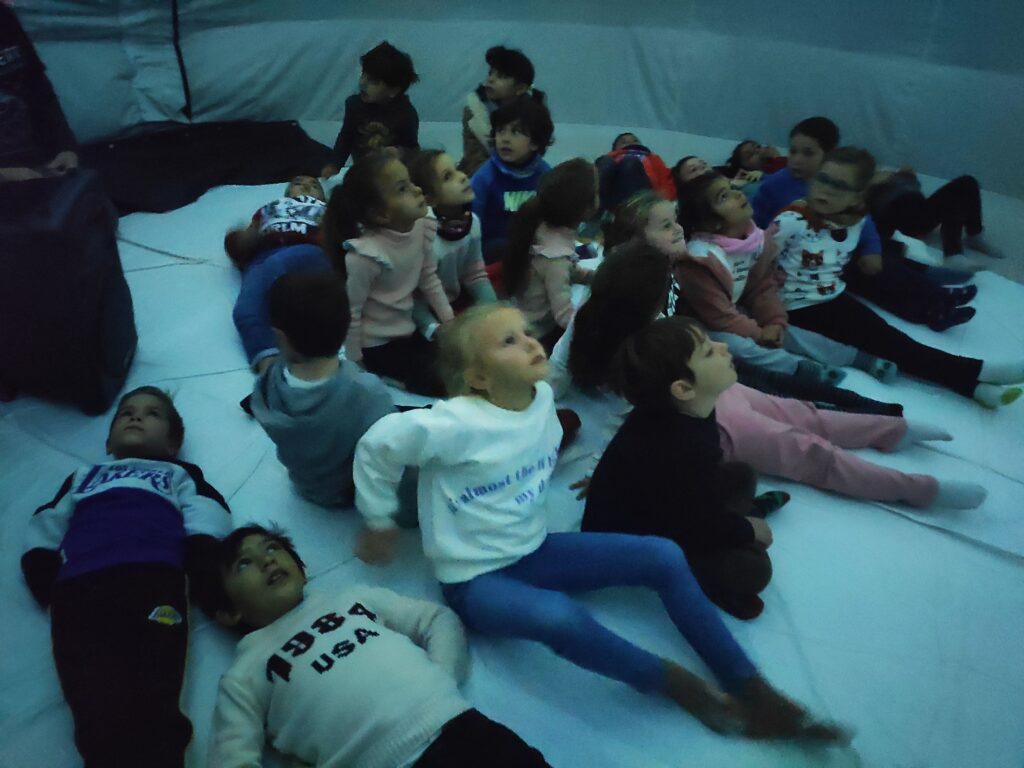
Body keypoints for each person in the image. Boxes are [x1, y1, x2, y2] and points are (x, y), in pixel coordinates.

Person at [352, 303, 849, 742]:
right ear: (478, 379)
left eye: (526, 332)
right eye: (508, 341)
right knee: (559, 617)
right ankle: (673, 682)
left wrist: (599, 475)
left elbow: (588, 436)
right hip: (473, 580)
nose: (530, 342)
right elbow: (378, 444)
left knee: (663, 554)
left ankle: (752, 688)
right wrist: (378, 518)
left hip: (533, 549)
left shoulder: (541, 398)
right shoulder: (453, 424)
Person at [583, 319, 986, 620]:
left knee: (744, 473)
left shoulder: (698, 407)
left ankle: (893, 433)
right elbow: (689, 522)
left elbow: (803, 416)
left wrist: (894, 428)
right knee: (754, 569)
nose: (723, 347)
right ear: (683, 389)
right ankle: (717, 585)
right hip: (641, 537)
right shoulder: (684, 445)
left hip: (677, 504)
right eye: (708, 352)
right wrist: (744, 530)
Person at [204, 524, 551, 767]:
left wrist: (440, 682)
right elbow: (231, 758)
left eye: (272, 548)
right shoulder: (245, 674)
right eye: (244, 563)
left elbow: (436, 619)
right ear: (229, 612)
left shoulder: (351, 597)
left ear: (301, 568)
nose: (266, 560)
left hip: (459, 726)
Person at [20, 386, 231, 768]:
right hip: (78, 588)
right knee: (89, 692)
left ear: (173, 444)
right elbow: (48, 519)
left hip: (152, 579)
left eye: (153, 414)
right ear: (107, 441)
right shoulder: (84, 476)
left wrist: (201, 556)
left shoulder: (177, 473)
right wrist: (40, 564)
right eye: (126, 412)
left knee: (155, 682)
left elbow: (208, 510)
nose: (136, 417)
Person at [591, 193, 902, 417]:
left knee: (763, 368)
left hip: (694, 337)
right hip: (682, 357)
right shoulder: (650, 279)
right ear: (635, 240)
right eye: (665, 226)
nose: (678, 229)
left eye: (675, 221)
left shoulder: (677, 261)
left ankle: (856, 398)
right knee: (760, 385)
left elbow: (755, 288)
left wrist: (771, 321)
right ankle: (846, 409)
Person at [773, 147, 1023, 408]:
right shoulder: (792, 220)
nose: (827, 190)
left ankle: (972, 386)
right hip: (798, 306)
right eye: (823, 179)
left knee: (891, 341)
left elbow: (865, 237)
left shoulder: (855, 220)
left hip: (830, 294)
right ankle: (976, 371)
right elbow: (759, 258)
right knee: (891, 343)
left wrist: (871, 252)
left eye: (840, 186)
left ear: (858, 196)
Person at [677, 173, 898, 383]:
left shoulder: (756, 241)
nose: (737, 193)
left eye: (732, 187)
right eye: (724, 196)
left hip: (734, 311)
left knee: (790, 332)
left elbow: (762, 287)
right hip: (700, 322)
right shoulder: (700, 260)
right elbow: (719, 317)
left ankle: (856, 358)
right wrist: (759, 333)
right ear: (712, 223)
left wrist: (774, 321)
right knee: (736, 345)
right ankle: (797, 368)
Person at [249, 271, 417, 516]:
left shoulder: (267, 385)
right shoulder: (366, 392)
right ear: (347, 326)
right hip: (350, 491)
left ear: (280, 336)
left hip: (307, 486)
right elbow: (391, 452)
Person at [321, 151, 453, 396]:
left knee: (458, 361)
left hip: (408, 330)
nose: (417, 190)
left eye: (411, 182)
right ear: (380, 214)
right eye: (402, 189)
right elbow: (352, 310)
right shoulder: (366, 255)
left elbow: (429, 278)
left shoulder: (421, 228)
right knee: (444, 383)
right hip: (377, 346)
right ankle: (393, 380)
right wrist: (356, 361)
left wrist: (449, 322)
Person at [226, 176, 330, 373]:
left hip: (311, 251)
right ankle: (269, 369)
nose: (306, 186)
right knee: (246, 311)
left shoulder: (327, 210)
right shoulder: (269, 209)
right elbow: (241, 248)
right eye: (298, 183)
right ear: (286, 193)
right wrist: (240, 240)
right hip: (265, 257)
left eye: (315, 185)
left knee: (276, 266)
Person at [502, 158, 597, 351]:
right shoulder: (556, 258)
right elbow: (564, 317)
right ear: (586, 209)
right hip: (538, 333)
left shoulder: (544, 227)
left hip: (524, 315)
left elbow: (568, 271)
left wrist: (596, 278)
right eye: (597, 192)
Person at [408, 150, 497, 339]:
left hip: (452, 304)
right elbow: (411, 296)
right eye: (448, 177)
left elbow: (475, 274)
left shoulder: (472, 222)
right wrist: (434, 329)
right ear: (430, 199)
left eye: (457, 169)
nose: (463, 177)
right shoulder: (423, 236)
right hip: (419, 313)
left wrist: (494, 311)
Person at [0, 4, 79, 182]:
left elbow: (38, 86)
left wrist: (65, 147)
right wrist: (3, 175)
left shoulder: (3, 17)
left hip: (40, 164)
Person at [470, 96, 554, 258]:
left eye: (515, 132)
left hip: (534, 248)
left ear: (535, 143)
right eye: (501, 131)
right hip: (491, 250)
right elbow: (472, 222)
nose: (505, 139)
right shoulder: (484, 177)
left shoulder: (545, 175)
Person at [322, 41, 420, 175]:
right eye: (363, 75)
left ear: (393, 90)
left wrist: (400, 152)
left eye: (373, 81)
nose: (362, 83)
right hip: (362, 172)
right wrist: (335, 164)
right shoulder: (354, 105)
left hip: (390, 175)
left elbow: (413, 150)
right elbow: (346, 138)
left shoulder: (406, 114)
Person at [460, 45, 545, 177]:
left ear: (521, 88)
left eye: (501, 76)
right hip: (483, 174)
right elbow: (474, 158)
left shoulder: (535, 111)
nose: (490, 79)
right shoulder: (474, 111)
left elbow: (536, 154)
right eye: (490, 73)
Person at [752, 116, 840, 229]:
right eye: (793, 151)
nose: (797, 160)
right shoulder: (772, 186)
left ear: (829, 155)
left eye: (808, 153)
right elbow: (753, 227)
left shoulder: (838, 185)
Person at [595, 131, 676, 213]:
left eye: (635, 141)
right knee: (605, 161)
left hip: (643, 195)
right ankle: (594, 209)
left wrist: (664, 196)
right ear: (615, 148)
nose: (630, 143)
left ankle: (629, 213)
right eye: (624, 142)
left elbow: (665, 177)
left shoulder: (653, 158)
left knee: (629, 162)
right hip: (611, 192)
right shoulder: (609, 158)